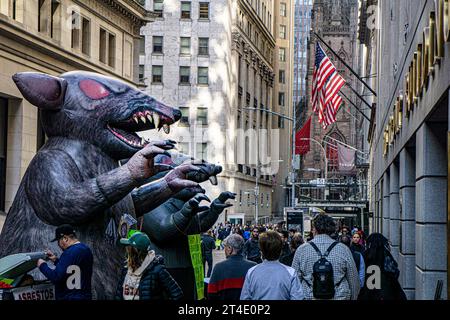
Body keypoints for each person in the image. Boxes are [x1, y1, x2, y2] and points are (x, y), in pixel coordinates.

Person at [292, 214, 360, 300]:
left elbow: (295, 281)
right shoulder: (343, 249)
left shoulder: (302, 250)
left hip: (309, 297)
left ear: (314, 229)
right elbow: (354, 281)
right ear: (331, 229)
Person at [115, 232, 183, 300]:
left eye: (129, 249)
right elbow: (118, 295)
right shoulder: (126, 269)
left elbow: (177, 294)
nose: (127, 251)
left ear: (135, 253)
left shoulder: (157, 270)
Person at [240, 231, 304, 300]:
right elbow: (297, 297)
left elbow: (245, 298)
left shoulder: (251, 272)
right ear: (280, 251)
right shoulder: (291, 273)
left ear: (261, 252)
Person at [36, 224, 93, 300]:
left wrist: (42, 265)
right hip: (85, 296)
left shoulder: (69, 252)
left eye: (58, 241)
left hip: (70, 297)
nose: (58, 245)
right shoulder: (86, 249)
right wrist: (56, 260)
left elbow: (56, 277)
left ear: (65, 238)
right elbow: (73, 269)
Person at [358, 233, 407, 300]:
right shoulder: (385, 254)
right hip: (385, 290)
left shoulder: (366, 254)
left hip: (368, 290)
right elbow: (394, 270)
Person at [207, 234, 256, 300]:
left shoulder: (218, 267)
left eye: (225, 247)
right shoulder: (253, 266)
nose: (225, 250)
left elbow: (211, 293)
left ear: (230, 248)